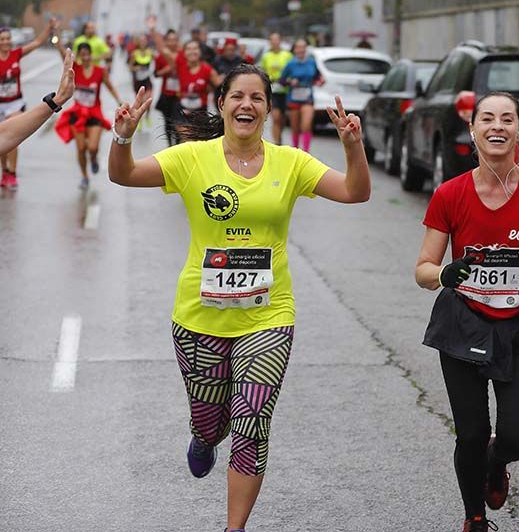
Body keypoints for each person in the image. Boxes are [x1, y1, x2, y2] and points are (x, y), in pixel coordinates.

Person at [108, 65, 371, 532]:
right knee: (213, 424)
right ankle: (203, 436)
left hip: (268, 316)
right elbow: (124, 176)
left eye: (256, 98)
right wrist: (124, 138)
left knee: (252, 422)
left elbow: (354, 192)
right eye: (237, 97)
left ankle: (235, 528)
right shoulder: (191, 158)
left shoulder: (291, 163)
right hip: (199, 317)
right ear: (222, 104)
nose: (246, 105)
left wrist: (353, 147)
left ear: (269, 109)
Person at [414, 92, 519, 532]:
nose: (497, 126)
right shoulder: (450, 194)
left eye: (507, 119)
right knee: (468, 433)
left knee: (518, 436)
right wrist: (446, 274)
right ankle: (475, 518)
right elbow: (423, 270)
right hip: (463, 324)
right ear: (472, 131)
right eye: (487, 119)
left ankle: (496, 460)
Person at [54, 42, 124, 189]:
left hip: (94, 114)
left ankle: (93, 159)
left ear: (91, 55)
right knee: (80, 149)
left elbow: (110, 86)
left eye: (87, 54)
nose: (85, 57)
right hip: (77, 113)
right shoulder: (75, 70)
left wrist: (119, 100)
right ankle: (85, 177)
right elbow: (63, 56)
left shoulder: (100, 71)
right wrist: (57, 39)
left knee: (92, 147)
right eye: (82, 55)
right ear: (78, 56)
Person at [0, 19, 57, 188]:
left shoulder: (16, 53)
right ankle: (4, 171)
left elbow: (38, 42)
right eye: (2, 39)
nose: (5, 42)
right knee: (2, 140)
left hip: (14, 103)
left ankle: (13, 173)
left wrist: (48, 28)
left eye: (7, 38)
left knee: (13, 138)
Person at [0, 51, 76, 158]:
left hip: (14, 104)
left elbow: (5, 135)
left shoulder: (15, 53)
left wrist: (57, 100)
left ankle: (10, 172)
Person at [278, 39, 323, 152]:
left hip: (308, 98)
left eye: (303, 47)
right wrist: (290, 82)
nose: (301, 50)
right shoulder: (290, 64)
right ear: (295, 49)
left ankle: (306, 152)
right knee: (295, 128)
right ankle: (296, 151)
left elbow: (318, 76)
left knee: (306, 125)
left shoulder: (312, 62)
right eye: (298, 47)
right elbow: (282, 80)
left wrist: (319, 81)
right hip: (294, 98)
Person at [259, 33, 292, 145]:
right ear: (270, 42)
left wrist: (288, 80)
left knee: (282, 119)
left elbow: (292, 70)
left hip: (286, 90)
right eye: (272, 40)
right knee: (276, 117)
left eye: (277, 40)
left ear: (280, 41)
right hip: (273, 90)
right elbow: (262, 72)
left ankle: (280, 136)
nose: (275, 42)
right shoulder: (266, 56)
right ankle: (277, 143)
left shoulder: (287, 55)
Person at [154, 29, 183, 146]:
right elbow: (155, 74)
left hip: (180, 95)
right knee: (168, 121)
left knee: (178, 122)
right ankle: (170, 145)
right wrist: (168, 69)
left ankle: (177, 143)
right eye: (169, 40)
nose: (172, 43)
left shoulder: (183, 55)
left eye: (174, 40)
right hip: (166, 94)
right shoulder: (161, 57)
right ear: (165, 42)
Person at [128, 33, 155, 123]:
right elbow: (130, 67)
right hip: (138, 81)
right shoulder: (134, 54)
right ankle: (138, 120)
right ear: (138, 43)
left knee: (148, 99)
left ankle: (148, 116)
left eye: (144, 40)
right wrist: (137, 68)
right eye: (141, 41)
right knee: (140, 101)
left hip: (147, 80)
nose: (143, 42)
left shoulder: (149, 52)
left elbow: (156, 62)